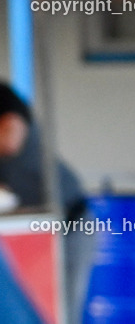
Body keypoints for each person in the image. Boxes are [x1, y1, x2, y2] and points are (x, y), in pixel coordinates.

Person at [0, 81, 91, 324]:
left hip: (72, 220)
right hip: (31, 229)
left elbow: (11, 140)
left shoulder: (3, 96)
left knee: (63, 309)